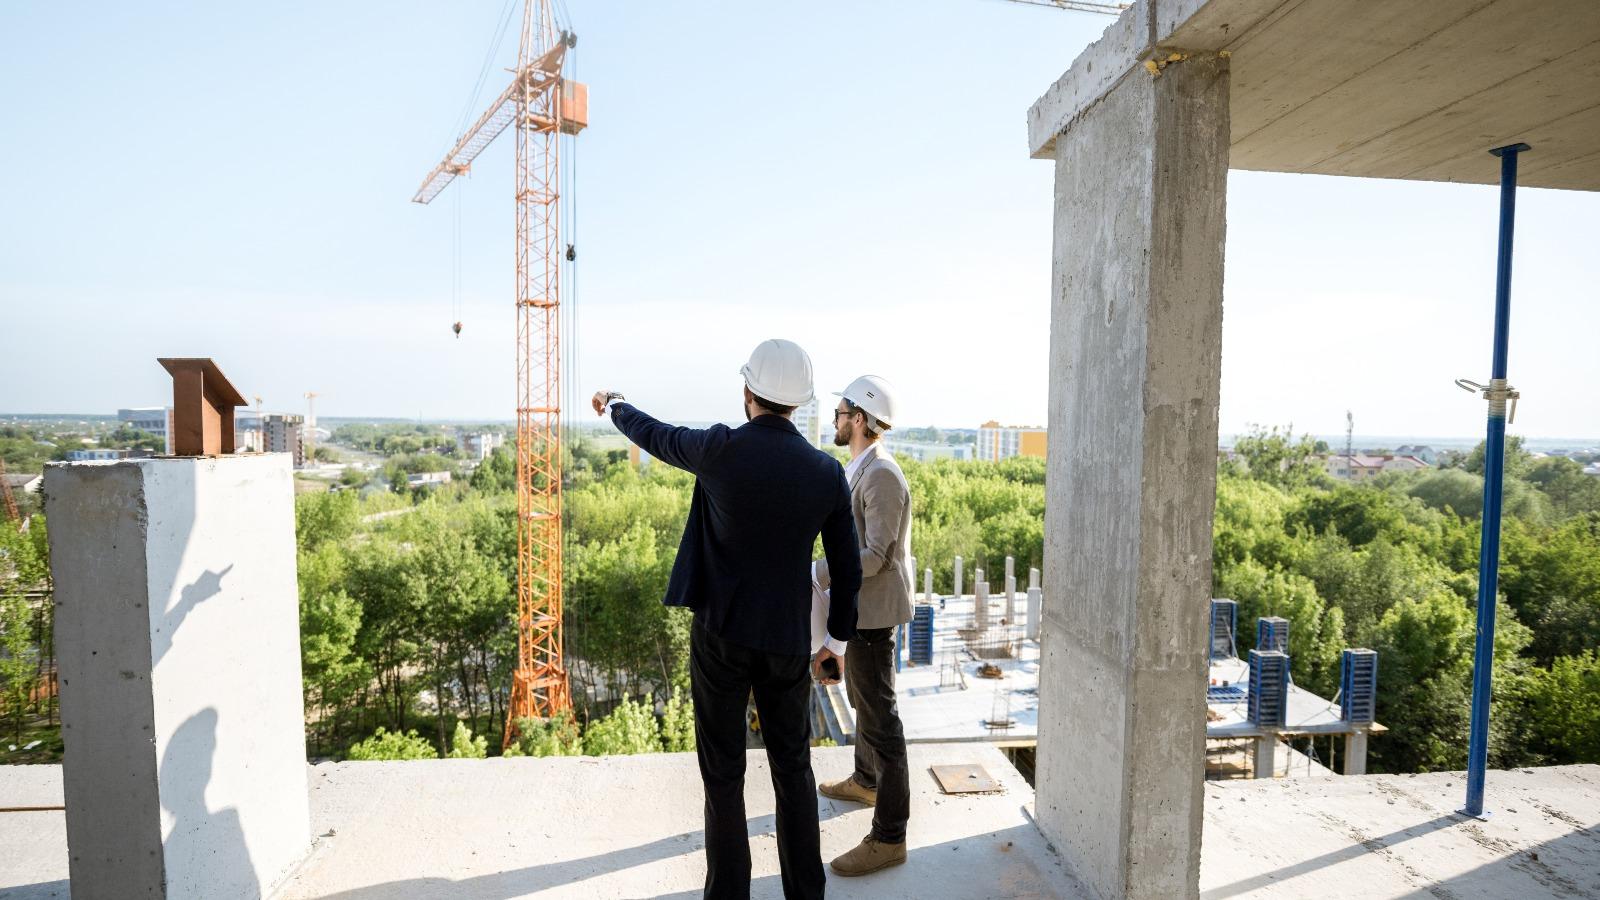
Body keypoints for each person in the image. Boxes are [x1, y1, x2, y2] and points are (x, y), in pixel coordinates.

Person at [592, 338, 862, 900]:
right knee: (793, 770)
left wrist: (617, 402)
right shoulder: (825, 473)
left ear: (748, 392)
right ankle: (805, 892)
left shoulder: (719, 449)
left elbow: (656, 435)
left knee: (723, 774)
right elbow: (847, 567)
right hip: (788, 640)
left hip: (721, 636)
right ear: (800, 404)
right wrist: (834, 640)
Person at [810, 375, 914, 877]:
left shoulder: (882, 476)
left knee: (880, 719)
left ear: (860, 420)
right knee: (863, 699)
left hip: (874, 614)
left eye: (840, 412)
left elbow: (877, 554)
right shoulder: (860, 468)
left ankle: (890, 836)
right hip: (860, 611)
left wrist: (819, 571)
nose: (834, 420)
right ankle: (866, 779)